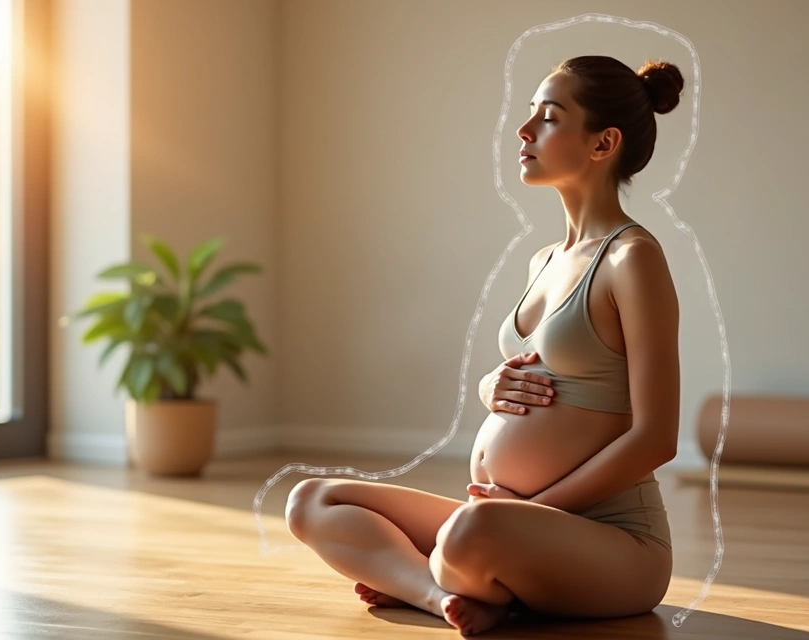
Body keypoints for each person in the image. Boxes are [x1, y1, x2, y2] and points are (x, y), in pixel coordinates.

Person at [284, 55, 684, 636]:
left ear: (604, 144)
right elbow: (553, 377)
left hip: (612, 541)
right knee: (310, 500)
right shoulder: (544, 259)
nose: (524, 132)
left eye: (548, 118)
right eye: (529, 117)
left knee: (468, 535)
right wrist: (489, 384)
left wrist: (525, 511)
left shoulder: (633, 258)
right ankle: (437, 595)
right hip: (501, 520)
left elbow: (655, 438)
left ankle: (428, 575)